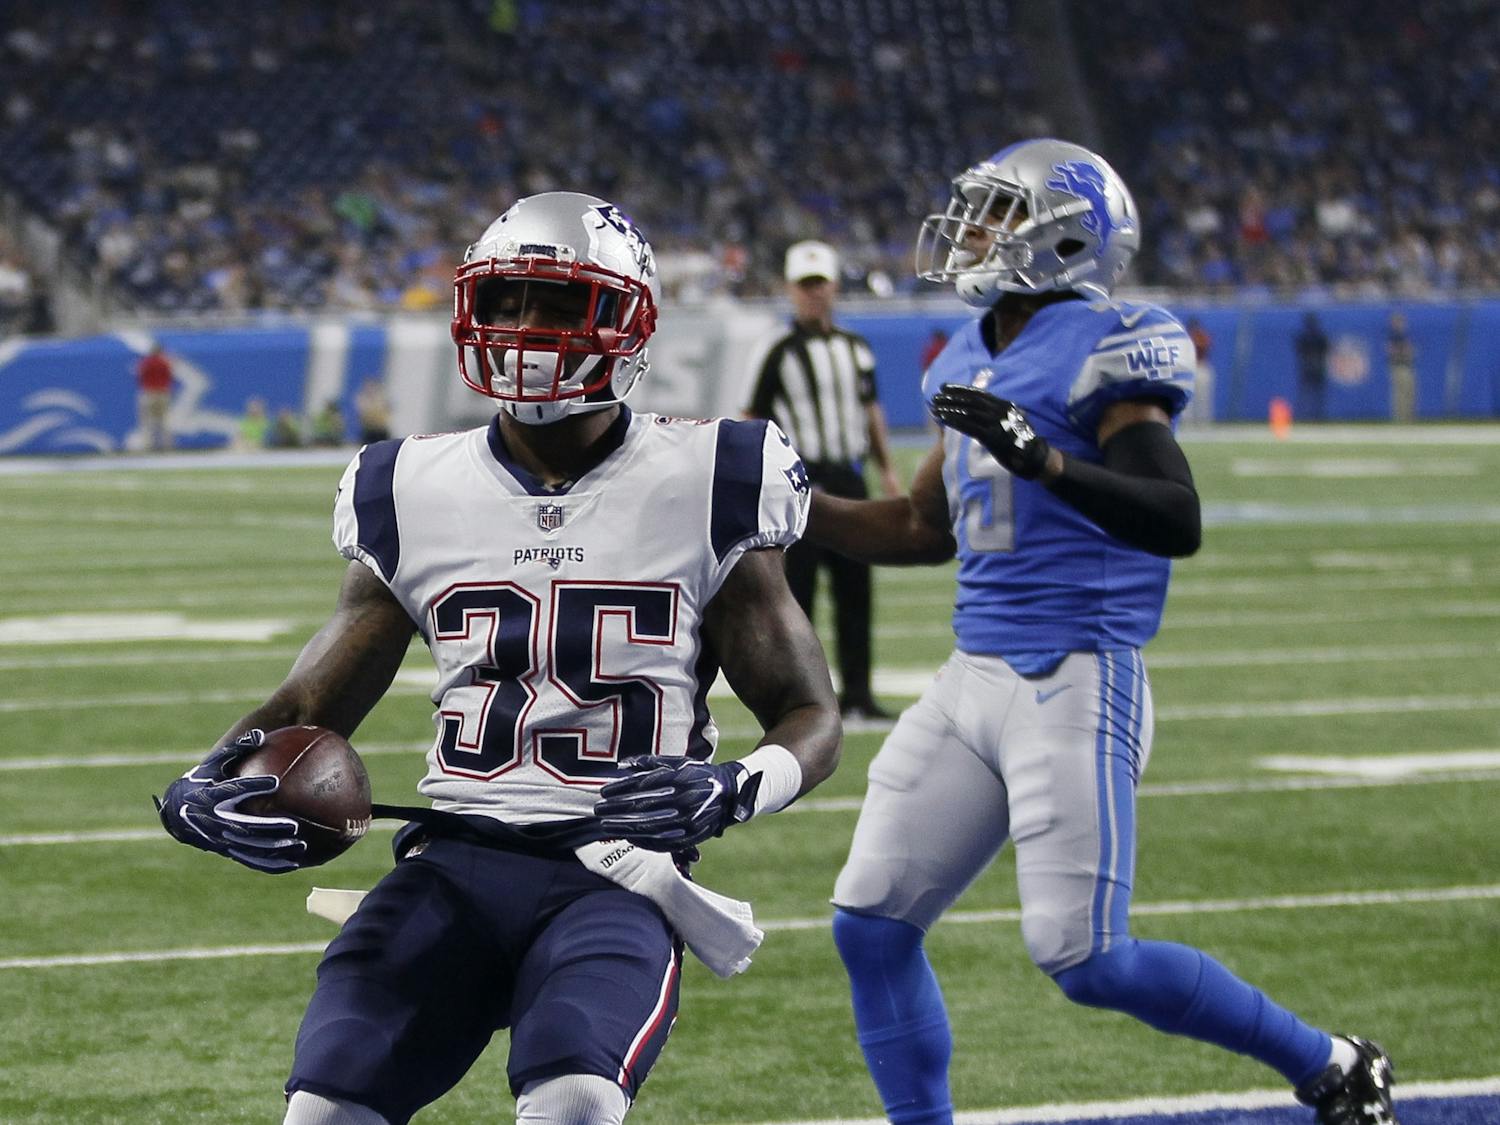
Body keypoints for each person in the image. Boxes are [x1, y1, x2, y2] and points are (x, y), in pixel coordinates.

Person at [152, 192, 841, 1125]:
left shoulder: (715, 473)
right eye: (507, 301)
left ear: (626, 320)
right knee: (323, 1109)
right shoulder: (406, 481)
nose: (524, 329)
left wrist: (736, 786)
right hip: (453, 860)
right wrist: (205, 779)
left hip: (616, 871)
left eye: (557, 306)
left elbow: (810, 714)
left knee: (575, 1100)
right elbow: (314, 696)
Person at [804, 139, 1397, 1125]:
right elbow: (919, 525)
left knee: (1087, 959)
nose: (969, 233)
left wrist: (1045, 463)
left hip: (1075, 674)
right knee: (869, 927)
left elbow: (1176, 515)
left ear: (1064, 234)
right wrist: (783, 508)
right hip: (972, 678)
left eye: (995, 213)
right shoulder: (967, 350)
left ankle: (1333, 1064)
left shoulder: (1112, 341)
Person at [746, 239, 902, 722]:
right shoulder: (775, 349)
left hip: (849, 477)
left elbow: (870, 410)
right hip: (800, 485)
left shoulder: (855, 348)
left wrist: (888, 471)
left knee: (857, 593)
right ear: (791, 290)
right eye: (805, 286)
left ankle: (859, 693)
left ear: (834, 286)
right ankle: (805, 701)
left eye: (821, 284)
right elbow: (751, 418)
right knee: (798, 599)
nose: (814, 294)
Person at [134, 343, 174, 451]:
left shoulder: (145, 363)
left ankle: (148, 446)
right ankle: (167, 445)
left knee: (147, 422)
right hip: (163, 392)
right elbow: (170, 376)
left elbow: (139, 377)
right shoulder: (165, 363)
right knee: (164, 421)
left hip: (149, 392)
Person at [1296, 311, 1329, 422]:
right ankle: (1311, 415)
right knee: (1311, 393)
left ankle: (1311, 415)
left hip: (1311, 366)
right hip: (1314, 366)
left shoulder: (1308, 337)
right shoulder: (1316, 336)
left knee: (1311, 393)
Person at [1386, 311, 1416, 423]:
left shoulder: (1403, 335)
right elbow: (1392, 351)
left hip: (1407, 366)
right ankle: (1400, 417)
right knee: (1400, 394)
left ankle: (1408, 417)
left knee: (1409, 392)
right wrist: (1404, 352)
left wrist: (1408, 352)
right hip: (1399, 366)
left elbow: (1411, 351)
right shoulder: (1394, 336)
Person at [355, 376, 393, 442]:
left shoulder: (381, 398)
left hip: (381, 430)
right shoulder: (362, 398)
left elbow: (387, 411)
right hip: (369, 430)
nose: (371, 389)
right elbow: (363, 414)